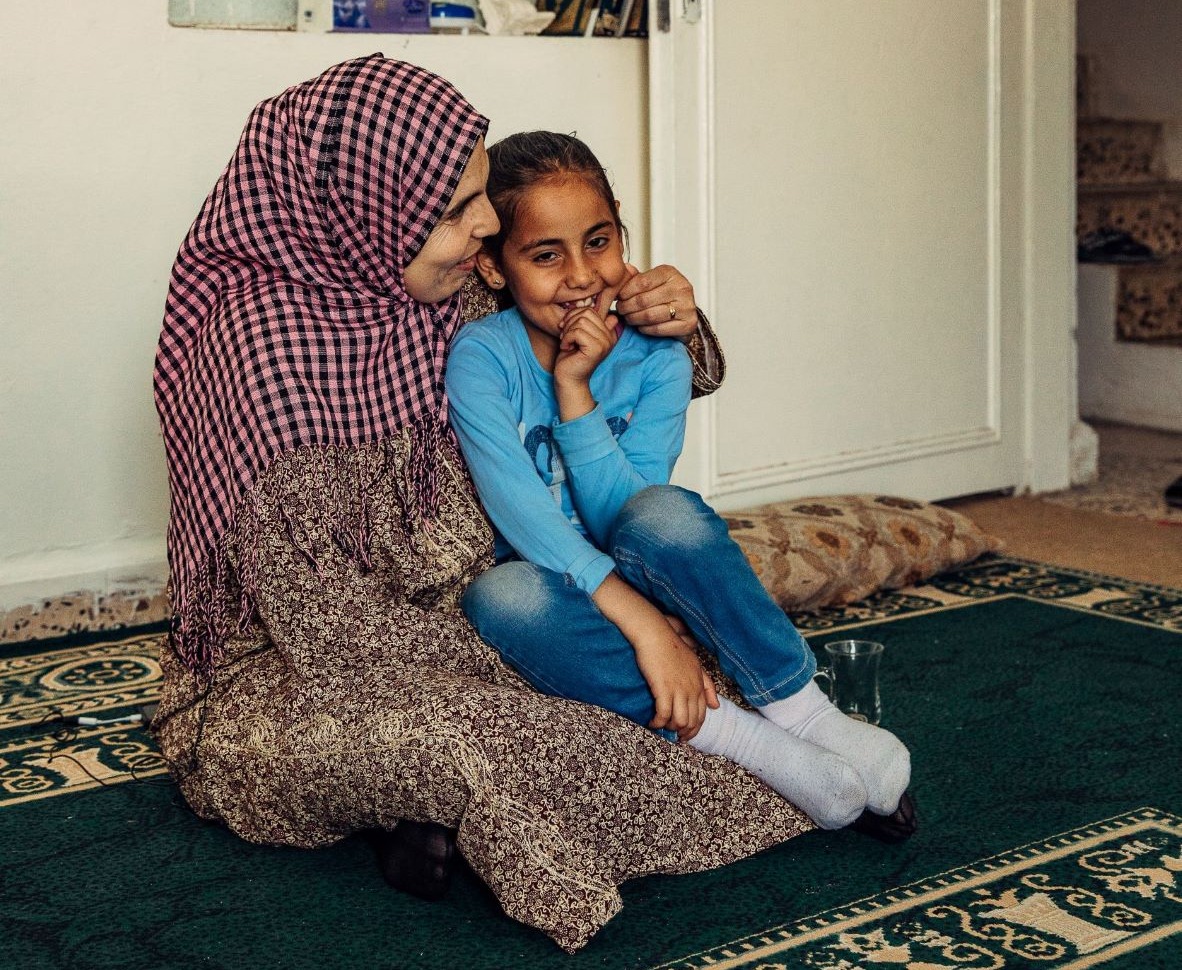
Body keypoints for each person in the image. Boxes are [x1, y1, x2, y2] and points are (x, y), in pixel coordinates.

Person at [151, 55, 818, 954]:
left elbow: (599, 319)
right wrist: (526, 647)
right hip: (309, 667)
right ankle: (431, 809)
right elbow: (329, 631)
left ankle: (428, 822)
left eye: (480, 202)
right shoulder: (254, 357)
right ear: (367, 214)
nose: (485, 226)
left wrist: (675, 311)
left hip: (485, 604)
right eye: (456, 210)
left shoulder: (449, 286)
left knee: (662, 676)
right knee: (507, 733)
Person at [446, 131, 913, 831]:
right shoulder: (482, 357)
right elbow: (520, 516)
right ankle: (740, 740)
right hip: (559, 582)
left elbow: (625, 512)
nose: (580, 275)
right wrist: (643, 629)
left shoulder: (660, 357)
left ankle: (803, 710)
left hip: (640, 563)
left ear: (622, 231)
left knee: (666, 513)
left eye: (599, 242)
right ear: (492, 267)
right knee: (499, 597)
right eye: (545, 255)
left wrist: (576, 392)